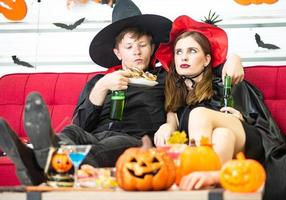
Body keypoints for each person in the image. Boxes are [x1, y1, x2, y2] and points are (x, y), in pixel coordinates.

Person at [0, 0, 244, 186]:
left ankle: (39, 164)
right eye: (129, 46)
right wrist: (103, 87)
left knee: (111, 145)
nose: (136, 52)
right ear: (117, 52)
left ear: (152, 47)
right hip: (92, 133)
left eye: (142, 45)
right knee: (70, 133)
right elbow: (81, 123)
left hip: (133, 139)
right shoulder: (99, 81)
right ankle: (44, 154)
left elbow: (204, 70)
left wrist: (234, 57)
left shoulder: (166, 77)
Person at [153, 15, 262, 189]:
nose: (184, 57)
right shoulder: (173, 86)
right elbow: (172, 118)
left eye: (192, 51)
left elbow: (254, 117)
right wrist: (167, 126)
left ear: (207, 59)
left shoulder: (222, 81)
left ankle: (196, 170)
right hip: (224, 141)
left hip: (246, 136)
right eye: (179, 52)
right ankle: (211, 180)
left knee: (199, 113)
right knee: (222, 135)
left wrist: (235, 58)